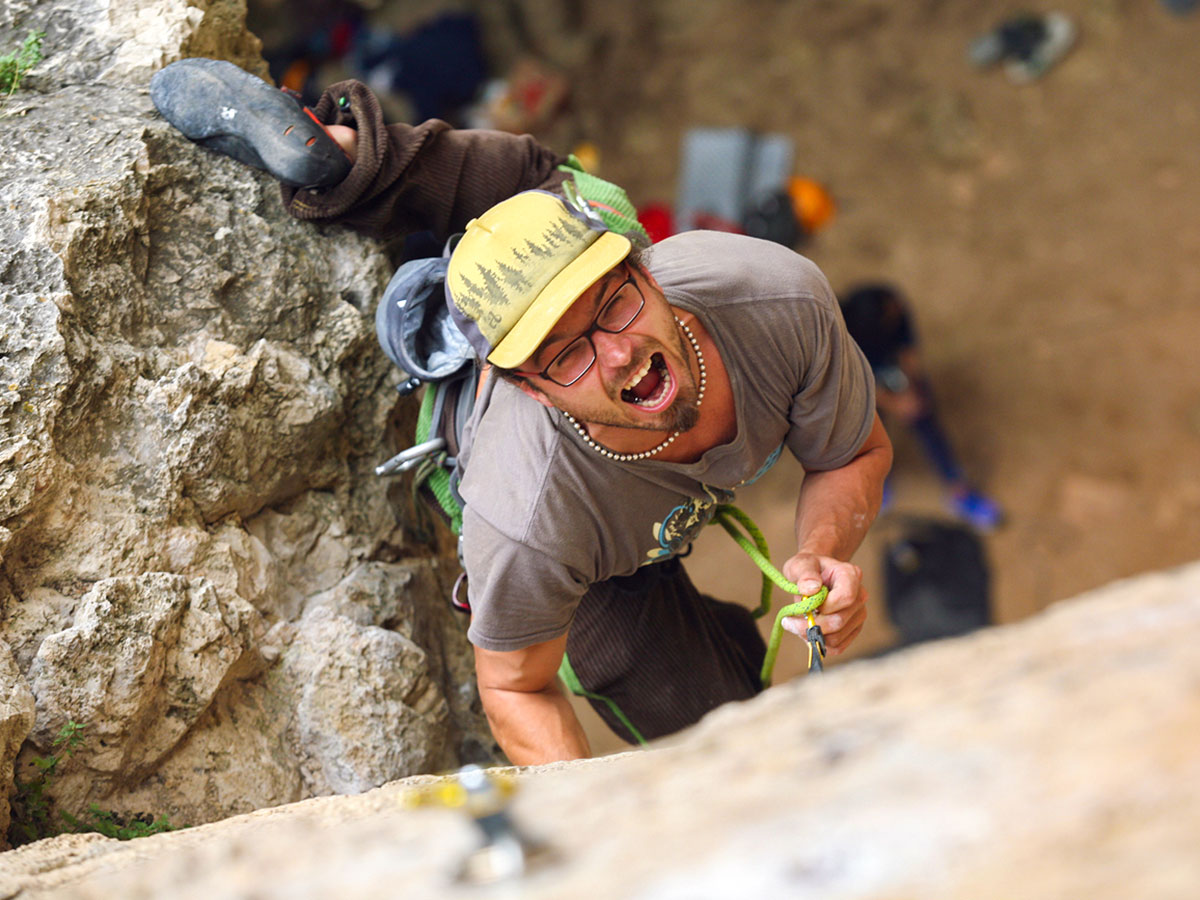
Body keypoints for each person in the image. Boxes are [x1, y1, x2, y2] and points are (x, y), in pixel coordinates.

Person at [150, 58, 893, 765]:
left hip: (580, 304)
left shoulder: (771, 297)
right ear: (528, 387)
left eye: (618, 302)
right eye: (565, 355)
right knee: (713, 725)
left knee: (537, 199)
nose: (619, 356)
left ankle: (355, 160)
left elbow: (852, 452)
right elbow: (514, 685)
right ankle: (382, 193)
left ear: (645, 262)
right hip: (586, 541)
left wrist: (825, 549)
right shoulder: (527, 518)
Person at [839, 282, 1001, 531]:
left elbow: (908, 352)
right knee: (866, 433)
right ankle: (878, 488)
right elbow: (855, 383)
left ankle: (961, 494)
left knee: (925, 419)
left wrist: (911, 388)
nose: (896, 311)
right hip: (862, 383)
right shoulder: (842, 338)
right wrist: (894, 402)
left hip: (890, 371)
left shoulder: (891, 304)